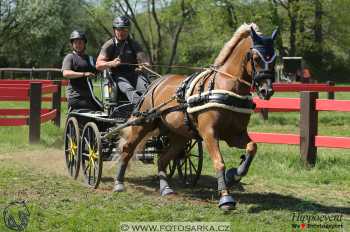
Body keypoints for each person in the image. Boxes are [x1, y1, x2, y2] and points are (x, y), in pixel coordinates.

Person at [96, 15, 150, 105]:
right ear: (114, 30)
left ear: (128, 30)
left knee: (147, 88)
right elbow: (98, 65)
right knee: (128, 89)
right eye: (119, 29)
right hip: (117, 76)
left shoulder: (134, 44)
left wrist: (144, 66)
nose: (122, 32)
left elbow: (144, 61)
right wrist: (111, 63)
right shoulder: (109, 45)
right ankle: (140, 108)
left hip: (134, 75)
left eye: (125, 29)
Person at [62, 30, 102, 111]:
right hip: (75, 97)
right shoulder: (70, 57)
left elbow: (99, 68)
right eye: (75, 42)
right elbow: (66, 73)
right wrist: (84, 74)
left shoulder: (90, 59)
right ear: (72, 44)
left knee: (103, 109)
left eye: (80, 42)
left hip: (89, 96)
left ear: (84, 44)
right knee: (95, 109)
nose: (78, 45)